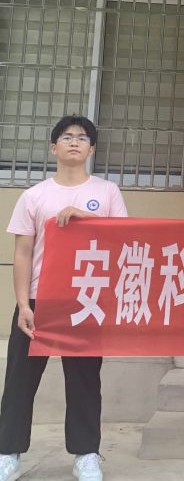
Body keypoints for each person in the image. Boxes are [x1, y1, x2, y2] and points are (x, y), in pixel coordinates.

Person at [0, 115, 127, 481]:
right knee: (20, 379)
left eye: (83, 138)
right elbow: (23, 251)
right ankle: (9, 452)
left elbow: (122, 239)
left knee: (85, 379)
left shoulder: (107, 192)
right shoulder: (35, 196)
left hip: (86, 301)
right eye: (67, 137)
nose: (74, 142)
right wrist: (23, 304)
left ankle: (86, 454)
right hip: (39, 300)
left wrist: (87, 220)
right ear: (53, 147)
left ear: (92, 149)